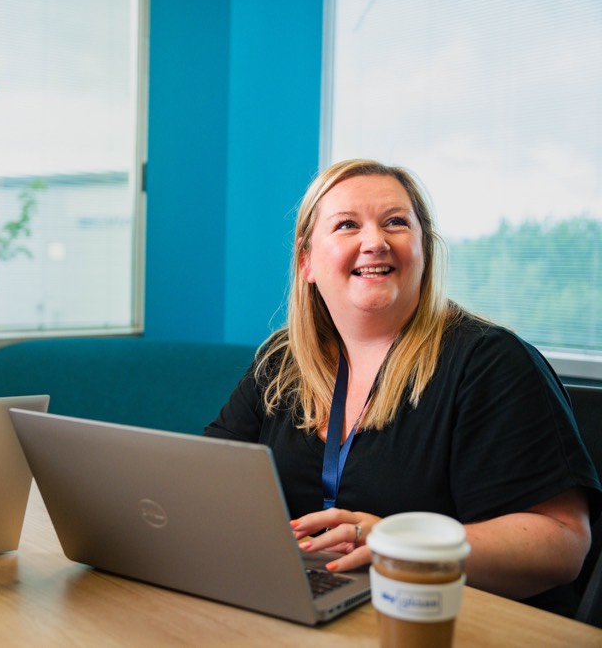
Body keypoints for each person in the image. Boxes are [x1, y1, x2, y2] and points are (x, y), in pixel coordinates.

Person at [205, 159, 600, 616]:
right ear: (306, 261)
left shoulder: (491, 361)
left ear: (424, 251)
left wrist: (401, 545)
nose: (374, 242)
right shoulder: (281, 362)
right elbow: (207, 482)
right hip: (316, 605)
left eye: (395, 222)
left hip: (460, 621)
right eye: (347, 225)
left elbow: (563, 542)